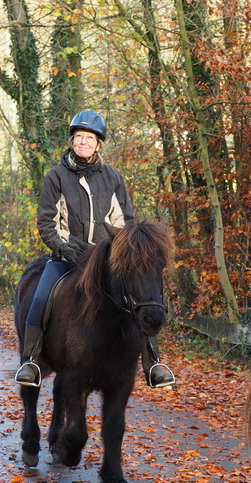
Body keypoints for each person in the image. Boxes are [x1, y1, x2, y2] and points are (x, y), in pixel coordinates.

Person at [14, 109, 176, 389]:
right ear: (71, 142)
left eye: (89, 138)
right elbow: (46, 221)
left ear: (98, 144)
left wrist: (115, 249)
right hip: (69, 256)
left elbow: (124, 221)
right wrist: (63, 246)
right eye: (78, 137)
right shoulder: (56, 177)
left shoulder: (113, 178)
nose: (83, 143)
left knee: (142, 296)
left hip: (106, 259)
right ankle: (31, 361)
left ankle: (154, 363)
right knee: (41, 297)